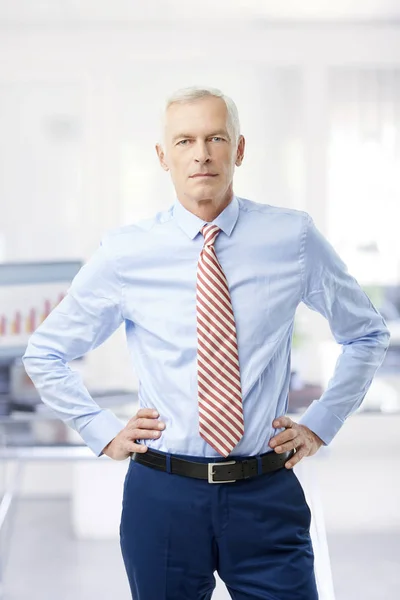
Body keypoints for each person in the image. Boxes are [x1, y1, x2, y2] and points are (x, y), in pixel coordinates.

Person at [22, 86, 390, 600]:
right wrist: (100, 429)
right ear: (162, 157)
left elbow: (368, 333)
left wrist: (321, 425)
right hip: (163, 495)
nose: (202, 154)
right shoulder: (126, 253)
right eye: (185, 140)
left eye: (217, 138)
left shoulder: (293, 238)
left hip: (266, 492)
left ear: (239, 149)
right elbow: (46, 352)